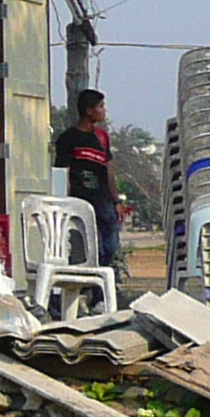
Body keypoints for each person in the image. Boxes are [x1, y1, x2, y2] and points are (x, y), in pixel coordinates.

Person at [52, 90, 122, 277]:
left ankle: (100, 292)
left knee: (110, 247)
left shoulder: (101, 137)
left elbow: (108, 170)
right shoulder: (68, 139)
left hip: (103, 202)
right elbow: (63, 173)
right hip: (81, 201)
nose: (104, 111)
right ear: (89, 111)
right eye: (100, 107)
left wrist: (117, 202)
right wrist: (65, 203)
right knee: (88, 248)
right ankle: (87, 290)